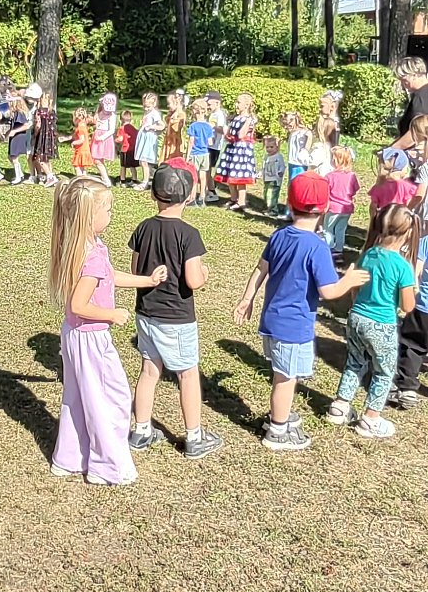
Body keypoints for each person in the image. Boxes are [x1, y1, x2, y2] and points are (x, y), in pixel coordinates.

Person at [234, 173, 368, 452]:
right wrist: (349, 280)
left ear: (289, 202)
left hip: (272, 321)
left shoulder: (279, 235)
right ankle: (277, 429)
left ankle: (280, 414)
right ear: (326, 207)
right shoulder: (317, 247)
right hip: (293, 327)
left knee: (283, 374)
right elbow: (328, 291)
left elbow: (260, 269)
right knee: (286, 379)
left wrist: (247, 299)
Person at [48, 178, 166, 486]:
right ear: (91, 216)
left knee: (77, 398)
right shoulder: (93, 255)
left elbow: (108, 277)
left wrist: (147, 281)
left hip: (73, 335)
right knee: (111, 399)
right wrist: (112, 314)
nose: (111, 215)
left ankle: (70, 459)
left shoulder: (78, 245)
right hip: (91, 337)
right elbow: (79, 304)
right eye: (108, 210)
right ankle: (107, 467)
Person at [128, 164, 222, 460]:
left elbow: (136, 270)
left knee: (149, 370)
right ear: (190, 196)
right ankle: (194, 437)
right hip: (177, 318)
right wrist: (205, 273)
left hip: (146, 312)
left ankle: (141, 430)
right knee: (187, 374)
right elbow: (193, 280)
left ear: (153, 195)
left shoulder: (143, 227)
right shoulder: (189, 234)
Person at [328, 203, 418, 439]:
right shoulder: (403, 266)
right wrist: (412, 289)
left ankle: (339, 406)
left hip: (357, 317)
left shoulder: (368, 254)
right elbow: (407, 307)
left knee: (354, 362)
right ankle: (370, 419)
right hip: (382, 324)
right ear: (408, 232)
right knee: (383, 372)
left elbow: (355, 287)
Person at [392, 227, 428, 409]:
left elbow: (416, 272)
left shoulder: (425, 242)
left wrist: (411, 294)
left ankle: (407, 388)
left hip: (423, 308)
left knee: (413, 346)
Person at [215, 93, 257, 213]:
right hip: (232, 148)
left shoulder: (248, 119)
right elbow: (229, 133)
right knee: (230, 174)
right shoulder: (235, 118)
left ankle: (241, 201)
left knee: (240, 176)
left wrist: (247, 122)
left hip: (241, 150)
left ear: (246, 105)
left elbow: (241, 135)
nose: (236, 105)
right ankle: (233, 198)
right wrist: (226, 133)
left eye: (239, 102)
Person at [324, 146, 360, 264]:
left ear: (336, 160)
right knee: (340, 229)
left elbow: (325, 192)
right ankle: (339, 250)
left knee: (328, 230)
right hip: (347, 208)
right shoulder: (352, 176)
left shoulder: (329, 176)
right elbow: (355, 189)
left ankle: (329, 249)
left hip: (333, 208)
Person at [393, 56, 428, 150]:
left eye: (404, 80)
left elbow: (418, 131)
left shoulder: (421, 97)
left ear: (415, 75)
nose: (403, 84)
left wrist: (392, 149)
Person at [369, 149, 416, 217]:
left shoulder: (379, 186)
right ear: (402, 169)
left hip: (382, 219)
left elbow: (373, 206)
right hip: (400, 219)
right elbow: (408, 205)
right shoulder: (407, 187)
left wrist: (373, 220)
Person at [185, 98, 214, 206]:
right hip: (205, 153)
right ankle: (202, 197)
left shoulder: (193, 126)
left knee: (194, 176)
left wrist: (187, 156)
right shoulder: (208, 126)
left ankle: (192, 198)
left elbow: (191, 141)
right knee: (203, 176)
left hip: (195, 153)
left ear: (195, 111)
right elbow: (210, 142)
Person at [135, 93, 163, 190]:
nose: (146, 108)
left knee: (144, 160)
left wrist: (151, 127)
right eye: (145, 106)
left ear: (154, 104)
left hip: (149, 138)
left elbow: (162, 126)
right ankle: (147, 179)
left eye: (148, 106)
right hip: (143, 137)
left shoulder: (155, 114)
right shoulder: (147, 112)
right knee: (142, 161)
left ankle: (145, 182)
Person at [90, 93, 117, 187]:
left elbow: (111, 130)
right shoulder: (99, 113)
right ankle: (104, 178)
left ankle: (106, 179)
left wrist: (102, 138)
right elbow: (95, 123)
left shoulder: (112, 116)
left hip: (104, 139)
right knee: (96, 159)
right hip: (97, 136)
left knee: (98, 160)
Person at [34, 91, 59, 186]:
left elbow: (38, 125)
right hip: (50, 139)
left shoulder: (39, 112)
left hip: (42, 138)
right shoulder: (52, 112)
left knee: (41, 160)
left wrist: (35, 134)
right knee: (47, 159)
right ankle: (52, 176)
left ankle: (50, 177)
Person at [206, 92, 228, 192]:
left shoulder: (220, 115)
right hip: (209, 144)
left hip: (215, 146)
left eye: (209, 104)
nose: (208, 106)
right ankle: (208, 188)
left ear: (217, 103)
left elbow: (223, 130)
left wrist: (213, 127)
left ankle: (211, 190)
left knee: (208, 168)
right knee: (206, 168)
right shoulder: (212, 114)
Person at [7, 94, 31, 184]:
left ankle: (18, 177)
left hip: (18, 137)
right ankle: (20, 173)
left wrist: (14, 131)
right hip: (14, 136)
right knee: (10, 156)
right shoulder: (15, 113)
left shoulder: (19, 113)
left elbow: (26, 126)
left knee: (14, 157)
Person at [281, 111, 312, 184]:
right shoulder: (293, 133)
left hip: (300, 163)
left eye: (288, 125)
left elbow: (309, 139)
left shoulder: (303, 132)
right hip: (292, 162)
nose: (287, 127)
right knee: (291, 183)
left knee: (298, 182)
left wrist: (305, 151)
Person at [61, 107, 94, 176]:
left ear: (77, 118)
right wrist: (65, 138)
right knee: (82, 167)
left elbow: (82, 140)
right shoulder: (83, 125)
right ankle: (84, 178)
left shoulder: (80, 128)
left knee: (77, 166)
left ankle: (79, 178)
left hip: (81, 150)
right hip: (85, 149)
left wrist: (74, 143)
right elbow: (74, 135)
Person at [160, 90, 188, 165]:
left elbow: (176, 127)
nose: (168, 106)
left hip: (175, 142)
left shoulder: (181, 114)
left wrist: (177, 111)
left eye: (169, 103)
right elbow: (167, 121)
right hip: (169, 140)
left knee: (174, 159)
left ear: (176, 103)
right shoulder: (171, 114)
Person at [261, 136, 286, 216]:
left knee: (272, 194)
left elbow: (282, 166)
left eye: (271, 147)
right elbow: (264, 167)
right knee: (266, 194)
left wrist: (280, 172)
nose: (269, 149)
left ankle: (274, 210)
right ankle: (268, 207)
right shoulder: (266, 157)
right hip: (267, 178)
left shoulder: (278, 156)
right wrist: (261, 173)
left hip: (275, 179)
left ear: (277, 147)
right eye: (267, 147)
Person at [308, 112, 338, 178]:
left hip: (320, 177)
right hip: (330, 176)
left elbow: (313, 162)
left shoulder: (320, 147)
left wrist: (305, 153)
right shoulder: (333, 147)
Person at [116, 110, 138, 186]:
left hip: (125, 149)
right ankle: (134, 180)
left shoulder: (122, 128)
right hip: (133, 149)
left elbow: (120, 139)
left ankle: (122, 180)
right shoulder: (134, 128)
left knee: (123, 166)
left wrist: (115, 140)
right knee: (132, 166)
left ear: (121, 119)